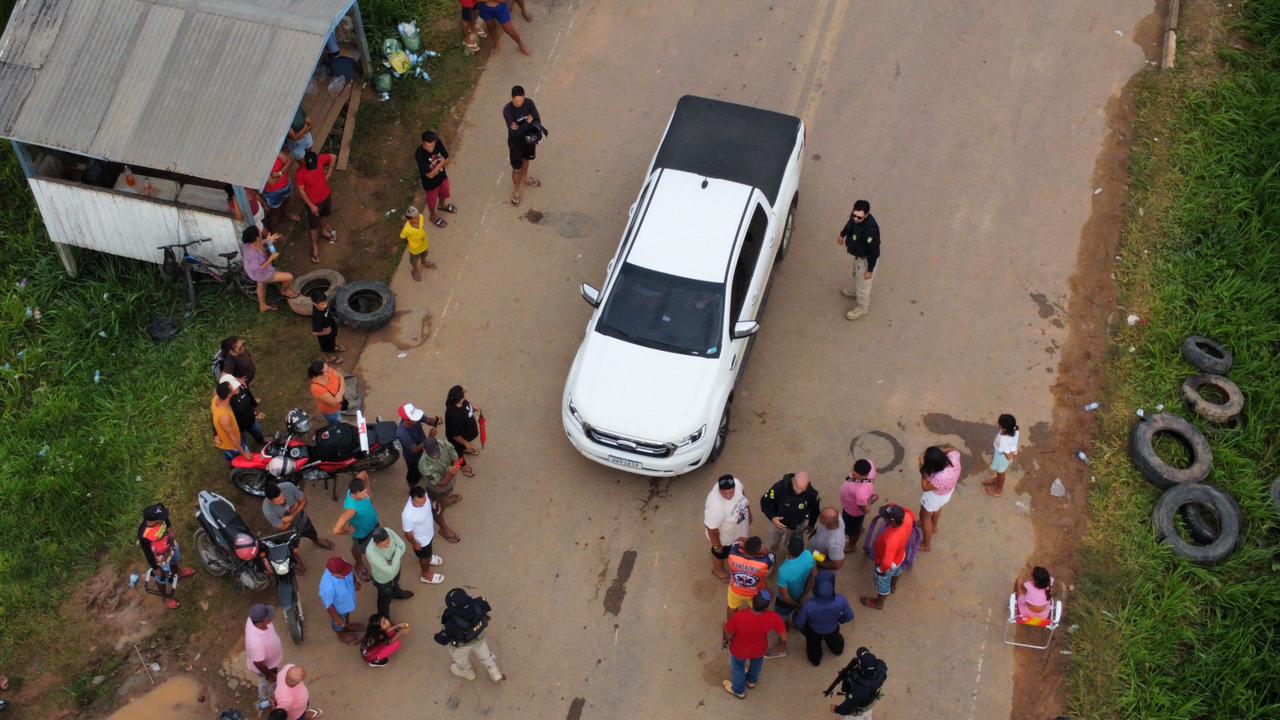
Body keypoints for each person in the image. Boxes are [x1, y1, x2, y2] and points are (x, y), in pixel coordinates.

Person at [721, 590, 787, 699]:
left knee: (738, 668)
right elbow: (784, 637)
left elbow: (728, 635)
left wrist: (725, 637)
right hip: (759, 648)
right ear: (766, 607)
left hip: (739, 649)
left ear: (752, 600)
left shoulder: (739, 616)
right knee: (756, 664)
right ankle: (751, 681)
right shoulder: (773, 617)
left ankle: (738, 690)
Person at [434, 588, 504, 681]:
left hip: (462, 645)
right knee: (485, 655)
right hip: (479, 637)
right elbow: (487, 610)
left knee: (461, 660)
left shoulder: (451, 623)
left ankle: (467, 672)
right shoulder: (479, 603)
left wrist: (437, 637)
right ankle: (494, 671)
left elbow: (443, 639)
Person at [136, 504, 194, 610]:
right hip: (160, 557)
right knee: (161, 577)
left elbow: (166, 518)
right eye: (162, 517)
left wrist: (170, 528)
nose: (165, 517)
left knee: (176, 560)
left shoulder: (161, 516)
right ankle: (165, 597)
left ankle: (179, 573)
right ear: (153, 521)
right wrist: (155, 568)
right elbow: (148, 553)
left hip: (170, 545)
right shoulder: (144, 534)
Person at [859, 504, 916, 610]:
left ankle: (878, 603)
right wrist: (890, 507)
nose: (884, 518)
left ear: (892, 522)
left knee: (883, 583)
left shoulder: (891, 539)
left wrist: (880, 570)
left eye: (886, 517)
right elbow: (910, 513)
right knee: (897, 571)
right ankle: (893, 586)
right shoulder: (907, 517)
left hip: (888, 563)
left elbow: (887, 563)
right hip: (900, 556)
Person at [794, 571, 855, 666]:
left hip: (814, 631)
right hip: (832, 628)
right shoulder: (840, 600)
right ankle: (837, 650)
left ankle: (816, 660)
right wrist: (840, 620)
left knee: (813, 648)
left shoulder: (809, 605)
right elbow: (850, 615)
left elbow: (799, 623)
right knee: (836, 643)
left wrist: (804, 629)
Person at [835, 199, 880, 321]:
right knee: (856, 276)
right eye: (854, 215)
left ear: (866, 215)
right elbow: (850, 224)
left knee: (864, 287)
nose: (855, 219)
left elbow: (874, 252)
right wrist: (842, 234)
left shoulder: (870, 231)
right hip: (858, 257)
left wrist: (870, 270)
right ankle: (856, 291)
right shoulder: (855, 218)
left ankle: (863, 307)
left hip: (866, 261)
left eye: (859, 217)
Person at [760, 471, 821, 555]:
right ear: (793, 481)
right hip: (777, 522)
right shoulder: (779, 488)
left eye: (803, 489)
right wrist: (772, 518)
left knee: (792, 547)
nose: (799, 492)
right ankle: (771, 556)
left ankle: (789, 557)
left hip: (797, 525)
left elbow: (815, 510)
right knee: (771, 543)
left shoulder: (812, 494)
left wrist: (811, 524)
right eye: (797, 488)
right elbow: (764, 502)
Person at [332, 471, 379, 580]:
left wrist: (369, 491)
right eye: (362, 494)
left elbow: (364, 474)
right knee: (358, 549)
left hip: (373, 524)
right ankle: (359, 564)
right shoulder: (352, 509)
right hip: (362, 534)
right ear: (353, 495)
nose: (366, 495)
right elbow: (336, 530)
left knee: (376, 542)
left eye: (365, 491)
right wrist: (349, 531)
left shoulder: (357, 487)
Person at [262, 481, 335, 551]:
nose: (282, 501)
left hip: (300, 518)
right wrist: (296, 507)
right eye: (277, 501)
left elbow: (304, 501)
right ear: (270, 500)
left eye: (282, 497)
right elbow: (282, 528)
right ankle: (295, 557)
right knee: (292, 546)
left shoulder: (288, 486)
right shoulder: (268, 510)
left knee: (311, 531)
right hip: (288, 531)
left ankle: (316, 540)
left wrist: (290, 517)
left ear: (280, 490)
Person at [704, 474, 751, 583]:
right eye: (724, 493)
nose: (728, 496)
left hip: (737, 528)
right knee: (720, 554)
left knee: (738, 544)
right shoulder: (715, 506)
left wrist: (749, 512)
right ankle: (717, 570)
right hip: (724, 537)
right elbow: (712, 530)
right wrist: (717, 546)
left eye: (731, 492)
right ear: (719, 490)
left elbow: (743, 496)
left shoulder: (737, 483)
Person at [417, 435, 463, 543]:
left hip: (450, 484)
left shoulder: (444, 444)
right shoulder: (424, 465)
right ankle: (444, 528)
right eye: (431, 454)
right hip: (437, 490)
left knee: (445, 496)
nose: (435, 456)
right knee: (438, 510)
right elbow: (440, 484)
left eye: (436, 451)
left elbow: (456, 458)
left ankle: (445, 500)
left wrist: (455, 466)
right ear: (425, 450)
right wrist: (451, 474)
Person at [241, 226, 298, 312]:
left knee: (261, 286)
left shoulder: (249, 244)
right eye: (259, 231)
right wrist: (270, 259)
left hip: (253, 271)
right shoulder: (252, 255)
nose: (261, 232)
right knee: (289, 277)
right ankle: (284, 291)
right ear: (257, 237)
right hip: (260, 273)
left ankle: (262, 306)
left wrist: (268, 240)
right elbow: (258, 269)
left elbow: (260, 243)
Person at [295, 151, 337, 264]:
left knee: (325, 215)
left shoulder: (321, 159)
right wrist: (311, 205)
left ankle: (323, 231)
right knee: (313, 225)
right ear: (305, 163)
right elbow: (301, 190)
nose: (313, 169)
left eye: (314, 166)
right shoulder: (300, 172)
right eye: (310, 167)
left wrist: (329, 172)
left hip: (326, 196)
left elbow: (333, 156)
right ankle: (314, 245)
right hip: (314, 203)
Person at [503, 86, 543, 205]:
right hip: (516, 144)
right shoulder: (508, 110)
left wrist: (522, 126)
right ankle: (516, 190)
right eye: (517, 101)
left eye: (521, 100)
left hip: (529, 139)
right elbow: (515, 133)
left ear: (524, 96)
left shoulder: (529, 103)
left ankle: (525, 177)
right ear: (512, 99)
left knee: (527, 159)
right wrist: (527, 122)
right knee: (516, 168)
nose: (519, 103)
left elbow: (537, 119)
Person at [918, 445, 962, 551]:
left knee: (924, 517)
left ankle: (926, 544)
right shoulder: (953, 458)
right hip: (946, 493)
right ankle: (933, 527)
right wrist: (939, 453)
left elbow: (925, 487)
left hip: (935, 496)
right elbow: (953, 449)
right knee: (937, 508)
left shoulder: (939, 477)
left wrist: (922, 470)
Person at [366, 527, 413, 619]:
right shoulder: (372, 553)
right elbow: (390, 571)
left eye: (388, 541)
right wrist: (397, 553)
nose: (388, 545)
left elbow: (402, 545)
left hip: (396, 568)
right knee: (384, 598)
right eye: (384, 545)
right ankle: (384, 618)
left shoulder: (388, 531)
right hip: (383, 579)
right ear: (376, 543)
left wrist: (393, 560)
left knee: (396, 582)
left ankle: (397, 593)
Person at [403, 486, 445, 585]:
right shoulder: (407, 515)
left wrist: (433, 505)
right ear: (412, 499)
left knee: (428, 553)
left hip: (429, 533)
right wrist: (414, 543)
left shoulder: (424, 496)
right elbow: (407, 532)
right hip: (421, 541)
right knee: (423, 558)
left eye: (424, 501)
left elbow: (429, 502)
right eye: (419, 503)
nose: (422, 504)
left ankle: (429, 558)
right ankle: (425, 574)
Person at [725, 536, 774, 621]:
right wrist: (764, 549)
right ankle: (748, 623)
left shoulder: (732, 553)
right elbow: (771, 555)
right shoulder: (765, 562)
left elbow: (738, 540)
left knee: (732, 607)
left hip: (735, 589)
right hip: (754, 593)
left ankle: (730, 625)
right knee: (752, 610)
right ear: (758, 551)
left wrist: (745, 540)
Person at [245, 604, 284, 707]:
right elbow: (258, 663)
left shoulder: (252, 619)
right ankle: (264, 698)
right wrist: (270, 675)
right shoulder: (256, 642)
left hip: (272, 663)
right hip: (267, 669)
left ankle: (271, 690)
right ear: (261, 622)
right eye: (268, 617)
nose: (271, 618)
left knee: (270, 681)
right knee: (265, 682)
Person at [416, 131, 457, 228]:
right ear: (423, 143)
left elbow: (447, 159)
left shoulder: (438, 142)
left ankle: (442, 205)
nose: (430, 149)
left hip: (442, 177)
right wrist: (440, 164)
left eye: (432, 146)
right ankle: (433, 215)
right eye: (427, 146)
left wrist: (438, 168)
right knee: (432, 201)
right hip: (430, 185)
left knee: (445, 192)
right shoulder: (419, 154)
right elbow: (430, 175)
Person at [319, 556, 363, 644]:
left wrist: (355, 581)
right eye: (344, 573)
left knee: (346, 615)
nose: (346, 573)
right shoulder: (327, 587)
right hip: (339, 609)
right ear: (334, 574)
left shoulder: (343, 562)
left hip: (348, 602)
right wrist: (337, 618)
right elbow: (329, 605)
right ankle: (340, 634)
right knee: (339, 622)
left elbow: (351, 571)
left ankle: (347, 625)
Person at [397, 402, 442, 488]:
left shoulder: (416, 417)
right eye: (414, 419)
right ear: (407, 420)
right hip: (413, 458)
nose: (417, 419)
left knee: (423, 466)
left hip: (423, 450)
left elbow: (428, 420)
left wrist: (436, 421)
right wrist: (430, 438)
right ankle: (412, 487)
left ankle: (421, 473)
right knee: (413, 474)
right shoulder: (402, 433)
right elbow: (415, 450)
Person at [775, 534, 816, 623]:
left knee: (782, 619)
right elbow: (813, 576)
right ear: (803, 549)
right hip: (802, 593)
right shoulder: (809, 555)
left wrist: (795, 604)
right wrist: (803, 597)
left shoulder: (783, 571)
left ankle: (785, 626)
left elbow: (786, 597)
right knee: (799, 616)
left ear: (787, 550)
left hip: (788, 601)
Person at [840, 460, 879, 552]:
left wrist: (871, 500)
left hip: (852, 513)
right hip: (850, 507)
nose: (852, 473)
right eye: (853, 469)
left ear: (863, 475)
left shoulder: (861, 492)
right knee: (857, 524)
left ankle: (852, 545)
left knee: (852, 531)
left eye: (855, 473)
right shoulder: (870, 465)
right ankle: (859, 527)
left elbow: (866, 509)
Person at [444, 385, 483, 477]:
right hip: (458, 438)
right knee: (458, 452)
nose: (466, 392)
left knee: (462, 447)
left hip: (466, 432)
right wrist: (467, 444)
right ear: (460, 399)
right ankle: (462, 465)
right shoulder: (454, 415)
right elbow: (456, 436)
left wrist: (473, 408)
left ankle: (464, 449)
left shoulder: (462, 402)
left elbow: (467, 406)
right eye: (464, 392)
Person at [262, 146, 300, 229]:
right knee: (275, 213)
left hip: (286, 184)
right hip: (272, 193)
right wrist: (284, 171)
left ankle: (285, 215)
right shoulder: (260, 165)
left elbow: (290, 161)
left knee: (287, 201)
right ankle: (271, 231)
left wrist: (279, 174)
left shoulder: (273, 151)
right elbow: (272, 183)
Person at [224, 373, 265, 450]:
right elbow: (217, 417)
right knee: (242, 442)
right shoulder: (225, 401)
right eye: (234, 386)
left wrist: (256, 411)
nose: (238, 387)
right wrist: (216, 433)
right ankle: (246, 452)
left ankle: (262, 440)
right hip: (238, 428)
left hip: (251, 420)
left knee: (258, 431)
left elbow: (250, 398)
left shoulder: (242, 387)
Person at [984, 413, 1021, 497]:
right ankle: (997, 480)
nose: (997, 423)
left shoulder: (1004, 440)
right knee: (999, 472)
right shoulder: (1015, 430)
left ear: (1004, 428)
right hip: (1001, 454)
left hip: (1002, 457)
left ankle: (998, 490)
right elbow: (1014, 443)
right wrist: (1014, 452)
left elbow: (1008, 456)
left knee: (1000, 472)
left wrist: (1005, 451)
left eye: (999, 423)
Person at [400, 206, 437, 282]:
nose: (418, 218)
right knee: (414, 260)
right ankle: (415, 270)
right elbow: (402, 237)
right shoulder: (406, 229)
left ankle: (424, 262)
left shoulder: (421, 217)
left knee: (425, 254)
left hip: (424, 243)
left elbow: (422, 226)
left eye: (418, 216)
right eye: (415, 218)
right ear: (409, 220)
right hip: (415, 249)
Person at [307, 360, 345, 427]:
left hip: (340, 404)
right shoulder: (317, 388)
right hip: (331, 412)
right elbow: (335, 402)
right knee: (337, 424)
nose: (330, 370)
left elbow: (340, 375)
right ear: (319, 375)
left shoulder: (329, 370)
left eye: (328, 367)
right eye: (327, 371)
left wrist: (340, 393)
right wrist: (342, 386)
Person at [211, 380, 242, 462]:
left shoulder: (215, 399)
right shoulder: (224, 416)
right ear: (228, 395)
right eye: (232, 386)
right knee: (238, 458)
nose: (235, 386)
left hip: (224, 441)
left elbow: (213, 416)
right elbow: (232, 437)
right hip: (232, 445)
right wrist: (244, 453)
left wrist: (216, 433)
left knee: (229, 455)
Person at [310, 292, 344, 365]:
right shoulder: (317, 317)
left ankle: (333, 347)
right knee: (327, 348)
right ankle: (329, 358)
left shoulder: (323, 307)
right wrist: (324, 332)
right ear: (315, 304)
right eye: (322, 304)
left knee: (332, 343)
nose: (325, 306)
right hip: (325, 337)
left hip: (331, 329)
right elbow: (315, 332)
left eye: (326, 302)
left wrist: (335, 328)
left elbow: (327, 314)